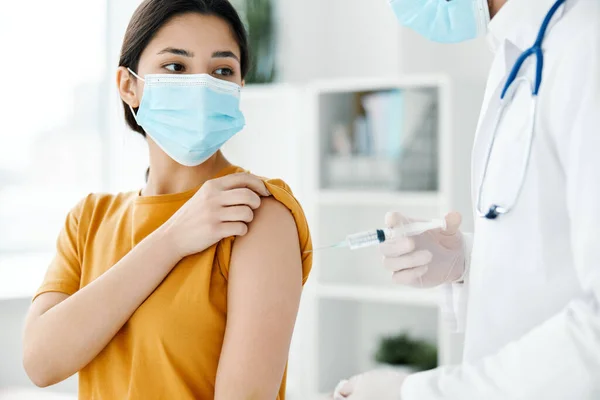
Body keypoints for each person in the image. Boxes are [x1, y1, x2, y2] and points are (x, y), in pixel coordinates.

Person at [21, 1, 312, 399]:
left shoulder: (257, 211)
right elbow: (41, 362)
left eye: (222, 70)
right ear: (129, 85)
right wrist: (171, 239)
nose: (203, 86)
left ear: (238, 88)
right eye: (176, 66)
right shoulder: (89, 219)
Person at [337, 0, 600, 398]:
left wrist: (415, 393)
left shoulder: (586, 46)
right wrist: (468, 261)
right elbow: (553, 248)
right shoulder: (517, 53)